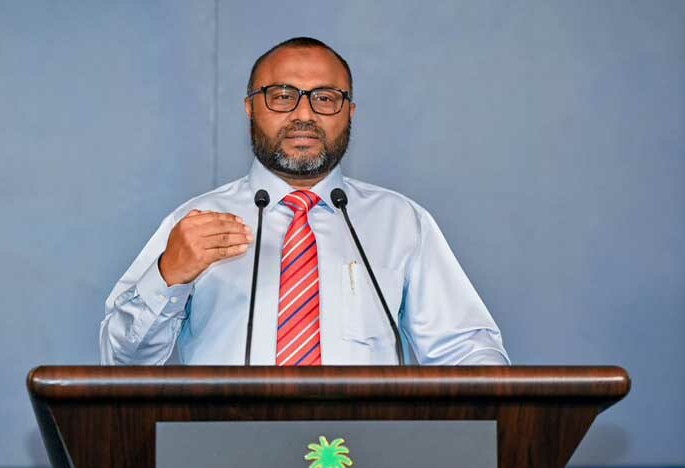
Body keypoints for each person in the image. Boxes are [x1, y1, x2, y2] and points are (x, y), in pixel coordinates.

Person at [99, 37, 509, 366]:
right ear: (250, 108)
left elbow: (467, 353)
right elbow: (122, 363)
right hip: (227, 436)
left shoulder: (401, 222)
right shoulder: (195, 221)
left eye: (325, 98)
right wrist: (168, 275)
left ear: (349, 112)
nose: (304, 114)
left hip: (364, 439)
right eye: (282, 96)